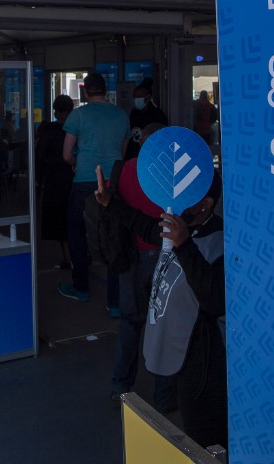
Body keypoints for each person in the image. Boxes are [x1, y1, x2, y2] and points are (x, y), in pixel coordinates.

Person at [96, 168, 226, 448]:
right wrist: (109, 203)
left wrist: (184, 244)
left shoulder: (219, 241)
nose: (178, 201)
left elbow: (214, 299)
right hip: (176, 345)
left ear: (205, 204)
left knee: (203, 437)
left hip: (201, 359)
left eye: (188, 195)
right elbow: (143, 225)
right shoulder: (181, 226)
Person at [100, 123, 176, 411]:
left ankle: (120, 387)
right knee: (165, 326)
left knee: (130, 323)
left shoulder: (125, 170)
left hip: (131, 257)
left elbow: (107, 200)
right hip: (167, 257)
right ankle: (165, 398)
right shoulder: (172, 172)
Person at [59, 72, 129, 309]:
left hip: (85, 181)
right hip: (113, 183)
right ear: (106, 90)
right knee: (114, 236)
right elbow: (122, 153)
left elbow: (66, 155)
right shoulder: (121, 116)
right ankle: (115, 302)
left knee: (77, 234)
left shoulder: (78, 115)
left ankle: (81, 288)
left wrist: (77, 161)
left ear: (85, 91)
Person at [36, 95, 75, 268]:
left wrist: (38, 181)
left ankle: (68, 258)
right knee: (75, 219)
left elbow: (39, 155)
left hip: (55, 181)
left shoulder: (49, 130)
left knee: (59, 222)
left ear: (58, 111)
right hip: (75, 179)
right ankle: (80, 254)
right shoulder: (77, 128)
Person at [125, 78, 168, 160]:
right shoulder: (134, 113)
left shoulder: (157, 115)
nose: (136, 99)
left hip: (151, 155)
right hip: (134, 155)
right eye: (134, 97)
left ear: (148, 98)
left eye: (139, 97)